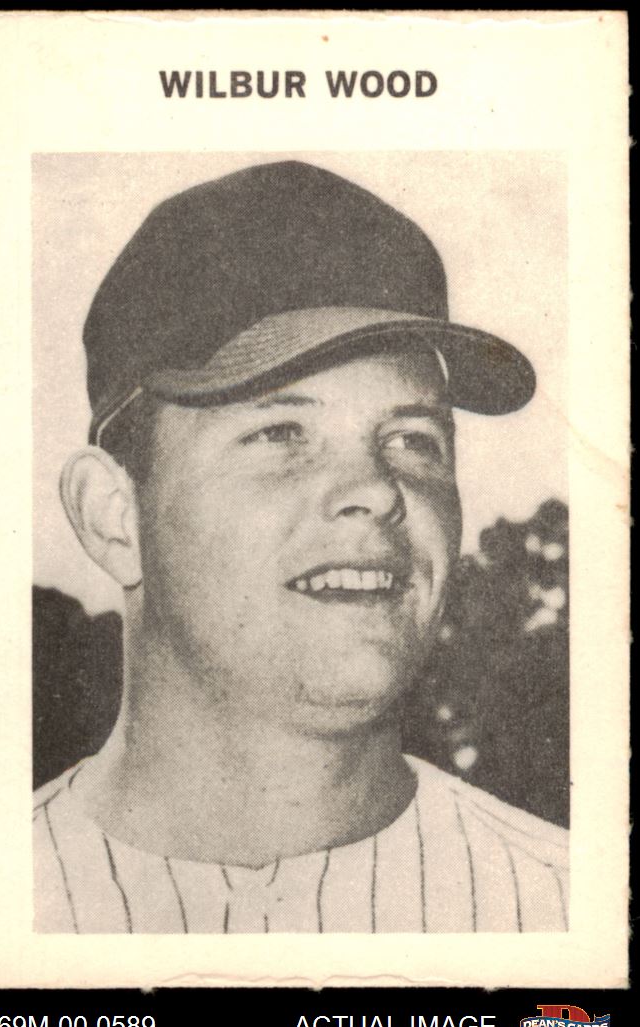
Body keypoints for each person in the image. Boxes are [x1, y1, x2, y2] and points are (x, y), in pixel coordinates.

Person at [33, 160, 568, 934]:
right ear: (113, 516)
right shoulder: (4, 905)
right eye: (280, 432)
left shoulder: (569, 910)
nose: (376, 489)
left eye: (413, 439)